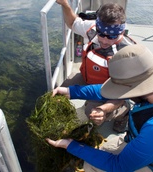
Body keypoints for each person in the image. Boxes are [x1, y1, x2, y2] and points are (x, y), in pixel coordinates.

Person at [47, 44, 153, 172]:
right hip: (151, 143)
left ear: (138, 88)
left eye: (122, 90)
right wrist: (70, 91)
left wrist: (70, 145)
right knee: (100, 153)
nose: (118, 94)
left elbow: (118, 166)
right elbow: (103, 91)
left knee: (91, 164)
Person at [55, 0, 136, 132]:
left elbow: (122, 93)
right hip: (87, 78)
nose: (104, 40)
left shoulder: (127, 54)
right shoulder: (92, 29)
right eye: (101, 34)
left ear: (121, 32)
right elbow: (72, 23)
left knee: (92, 114)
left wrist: (103, 110)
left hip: (110, 90)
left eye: (111, 36)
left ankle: (123, 113)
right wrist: (65, 5)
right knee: (57, 95)